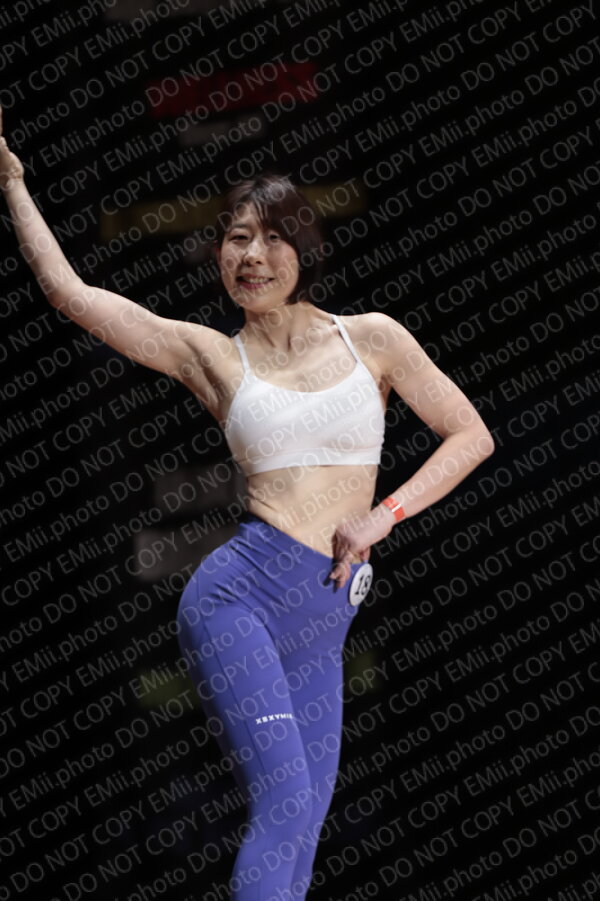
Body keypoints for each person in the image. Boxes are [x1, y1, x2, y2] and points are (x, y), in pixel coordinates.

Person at [0, 107, 494, 901]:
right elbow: (70, 293)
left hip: (325, 620)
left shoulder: (371, 337)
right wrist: (12, 181)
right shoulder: (212, 356)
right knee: (286, 803)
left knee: (304, 828)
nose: (252, 255)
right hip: (241, 597)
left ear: (304, 247)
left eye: (270, 237)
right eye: (236, 239)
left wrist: (384, 515)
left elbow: (471, 435)